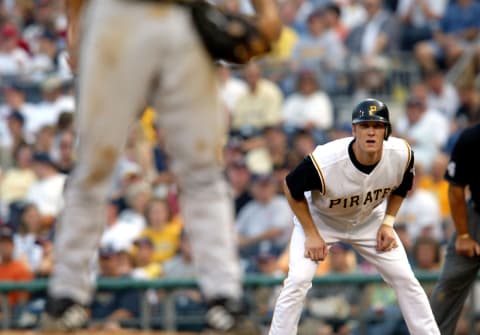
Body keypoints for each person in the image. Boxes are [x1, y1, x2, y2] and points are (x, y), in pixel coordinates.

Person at [41, 0, 281, 332]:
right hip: (116, 16)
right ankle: (66, 297)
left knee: (203, 172)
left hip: (185, 16)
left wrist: (267, 11)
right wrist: (77, 25)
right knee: (94, 168)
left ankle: (225, 298)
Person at [268, 98, 440, 335]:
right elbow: (290, 186)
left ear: (386, 131)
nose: (371, 132)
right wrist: (311, 233)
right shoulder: (326, 160)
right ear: (354, 130)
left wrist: (389, 223)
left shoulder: (401, 153)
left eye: (377, 126)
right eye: (364, 125)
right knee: (297, 280)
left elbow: (402, 187)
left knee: (405, 279)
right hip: (321, 220)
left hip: (369, 220)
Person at [430, 122, 480, 335]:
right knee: (449, 284)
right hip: (476, 215)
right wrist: (463, 235)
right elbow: (456, 187)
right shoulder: (472, 138)